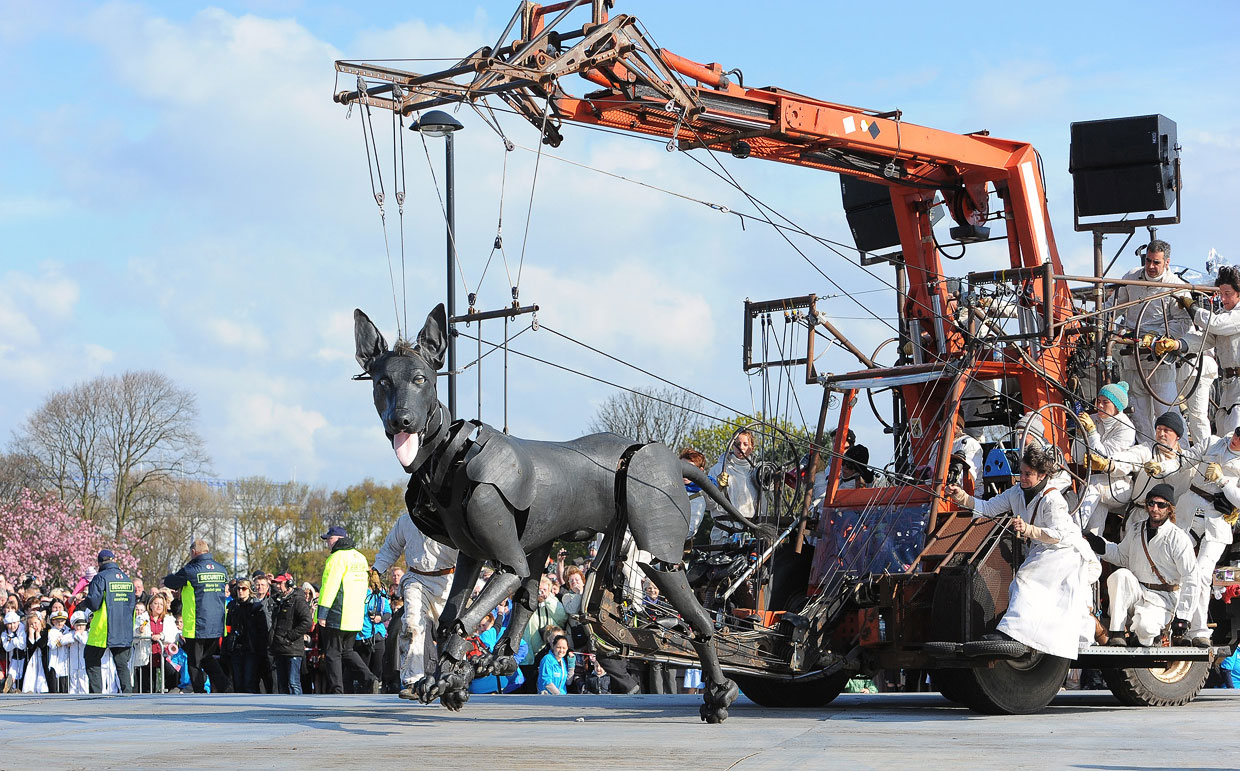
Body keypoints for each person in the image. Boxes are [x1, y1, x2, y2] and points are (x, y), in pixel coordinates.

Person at [945, 445, 1101, 658]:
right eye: (1021, 473)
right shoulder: (1016, 493)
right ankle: (1021, 634)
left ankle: (1012, 634)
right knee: (1024, 584)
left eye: (1028, 474)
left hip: (1065, 552)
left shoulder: (1053, 499)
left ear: (1042, 475)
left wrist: (1028, 529)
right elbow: (988, 509)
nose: (1023, 478)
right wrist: (962, 497)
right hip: (1043, 549)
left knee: (1025, 579)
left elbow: (1057, 535)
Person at [1083, 483, 1195, 647]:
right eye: (1151, 503)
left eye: (1161, 505)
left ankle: (1148, 636)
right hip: (1139, 591)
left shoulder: (1178, 538)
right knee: (1120, 575)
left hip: (1164, 599)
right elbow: (1121, 556)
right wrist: (1095, 542)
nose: (1154, 508)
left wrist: (1183, 616)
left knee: (1145, 628)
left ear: (1169, 509)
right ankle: (1117, 633)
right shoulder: (1136, 529)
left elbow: (1191, 576)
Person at [1109, 239, 1191, 438]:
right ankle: (1147, 461)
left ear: (1167, 262)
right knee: (1139, 418)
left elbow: (1184, 322)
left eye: (1157, 262)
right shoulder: (1131, 277)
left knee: (1168, 416)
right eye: (1148, 261)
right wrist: (1103, 327)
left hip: (1159, 360)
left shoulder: (1176, 286)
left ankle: (1179, 458)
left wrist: (1159, 337)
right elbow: (1111, 308)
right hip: (1132, 358)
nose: (1151, 267)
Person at [371, 511, 457, 699]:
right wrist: (377, 568)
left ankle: (453, 680)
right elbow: (391, 547)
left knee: (452, 633)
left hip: (449, 581)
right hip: (416, 579)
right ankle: (413, 681)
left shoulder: (451, 517)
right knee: (412, 625)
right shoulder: (406, 520)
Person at [1174, 426, 1240, 646]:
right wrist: (1164, 461)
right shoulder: (1213, 441)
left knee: (1202, 574)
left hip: (1219, 519)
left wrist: (1223, 481)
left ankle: (1196, 629)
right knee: (1176, 566)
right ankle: (1177, 625)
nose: (1236, 439)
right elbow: (1183, 461)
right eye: (1238, 433)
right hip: (1190, 510)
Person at [1078, 410, 1187, 535]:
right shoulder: (1147, 449)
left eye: (1166, 430)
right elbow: (1129, 458)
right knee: (1096, 494)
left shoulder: (1185, 461)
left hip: (1165, 521)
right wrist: (1109, 465)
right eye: (1158, 429)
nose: (1161, 434)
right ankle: (1082, 537)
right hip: (1138, 514)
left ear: (1177, 436)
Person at [1161, 265, 1240, 436]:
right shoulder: (1223, 314)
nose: (1223, 298)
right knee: (1223, 429)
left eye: (1228, 294)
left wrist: (1193, 308)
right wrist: (1176, 345)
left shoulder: (1235, 315)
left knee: (1234, 431)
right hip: (1230, 383)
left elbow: (1216, 323)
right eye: (1221, 293)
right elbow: (1205, 339)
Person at [164, 538, 231, 693]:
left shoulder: (191, 570)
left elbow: (170, 581)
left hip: (197, 624)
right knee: (207, 658)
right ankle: (225, 686)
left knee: (194, 661)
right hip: (217, 624)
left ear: (193, 552)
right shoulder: (221, 569)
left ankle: (199, 693)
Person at [318, 526, 379, 694]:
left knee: (332, 653)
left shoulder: (336, 558)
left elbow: (330, 587)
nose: (327, 543)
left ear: (336, 539)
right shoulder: (360, 557)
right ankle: (370, 678)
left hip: (337, 613)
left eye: (328, 539)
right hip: (355, 616)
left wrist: (322, 613)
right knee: (347, 651)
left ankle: (337, 691)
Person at [80, 549, 136, 694]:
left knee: (91, 659)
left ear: (99, 563)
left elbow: (94, 603)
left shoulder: (100, 577)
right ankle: (128, 694)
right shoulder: (126, 578)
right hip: (123, 627)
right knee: (122, 663)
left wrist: (85, 600)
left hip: (103, 628)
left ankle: (96, 695)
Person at [518, 575, 567, 692]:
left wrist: (548, 599)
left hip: (547, 651)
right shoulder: (527, 602)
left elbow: (562, 617)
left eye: (545, 589)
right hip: (530, 656)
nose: (541, 592)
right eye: (539, 589)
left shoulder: (552, 602)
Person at [269, 573, 313, 695]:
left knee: (293, 682)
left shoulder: (298, 600)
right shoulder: (279, 600)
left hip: (292, 648)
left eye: (280, 583)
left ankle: (298, 709)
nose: (277, 586)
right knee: (282, 684)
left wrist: (289, 637)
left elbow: (307, 622)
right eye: (276, 583)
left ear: (289, 584)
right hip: (279, 648)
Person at [353, 581, 391, 693]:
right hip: (362, 636)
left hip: (378, 635)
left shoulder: (381, 593)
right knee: (364, 671)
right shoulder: (358, 591)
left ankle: (376, 693)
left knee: (378, 669)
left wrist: (380, 618)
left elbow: (388, 612)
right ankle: (363, 693)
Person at [46, 609, 72, 693]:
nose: (60, 623)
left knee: (65, 680)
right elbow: (52, 645)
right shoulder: (52, 631)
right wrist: (61, 641)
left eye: (62, 620)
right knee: (55, 680)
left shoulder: (68, 630)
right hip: (56, 659)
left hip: (65, 659)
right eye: (57, 621)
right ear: (53, 621)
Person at [2, 610, 26, 693]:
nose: (12, 626)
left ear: (18, 622)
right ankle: (11, 687)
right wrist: (14, 641)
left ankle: (20, 688)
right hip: (12, 656)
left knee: (22, 671)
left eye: (14, 623)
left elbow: (22, 645)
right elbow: (7, 647)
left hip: (24, 656)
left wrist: (13, 640)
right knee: (12, 670)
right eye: (9, 624)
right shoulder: (5, 633)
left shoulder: (22, 629)